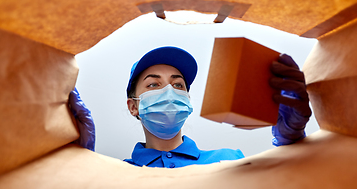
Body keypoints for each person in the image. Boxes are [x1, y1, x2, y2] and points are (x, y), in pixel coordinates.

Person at [69, 46, 311, 168]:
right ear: (133, 106)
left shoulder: (229, 160)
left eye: (178, 85)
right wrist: (77, 166)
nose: (169, 91)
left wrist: (292, 143)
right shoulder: (114, 173)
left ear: (187, 100)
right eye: (153, 84)